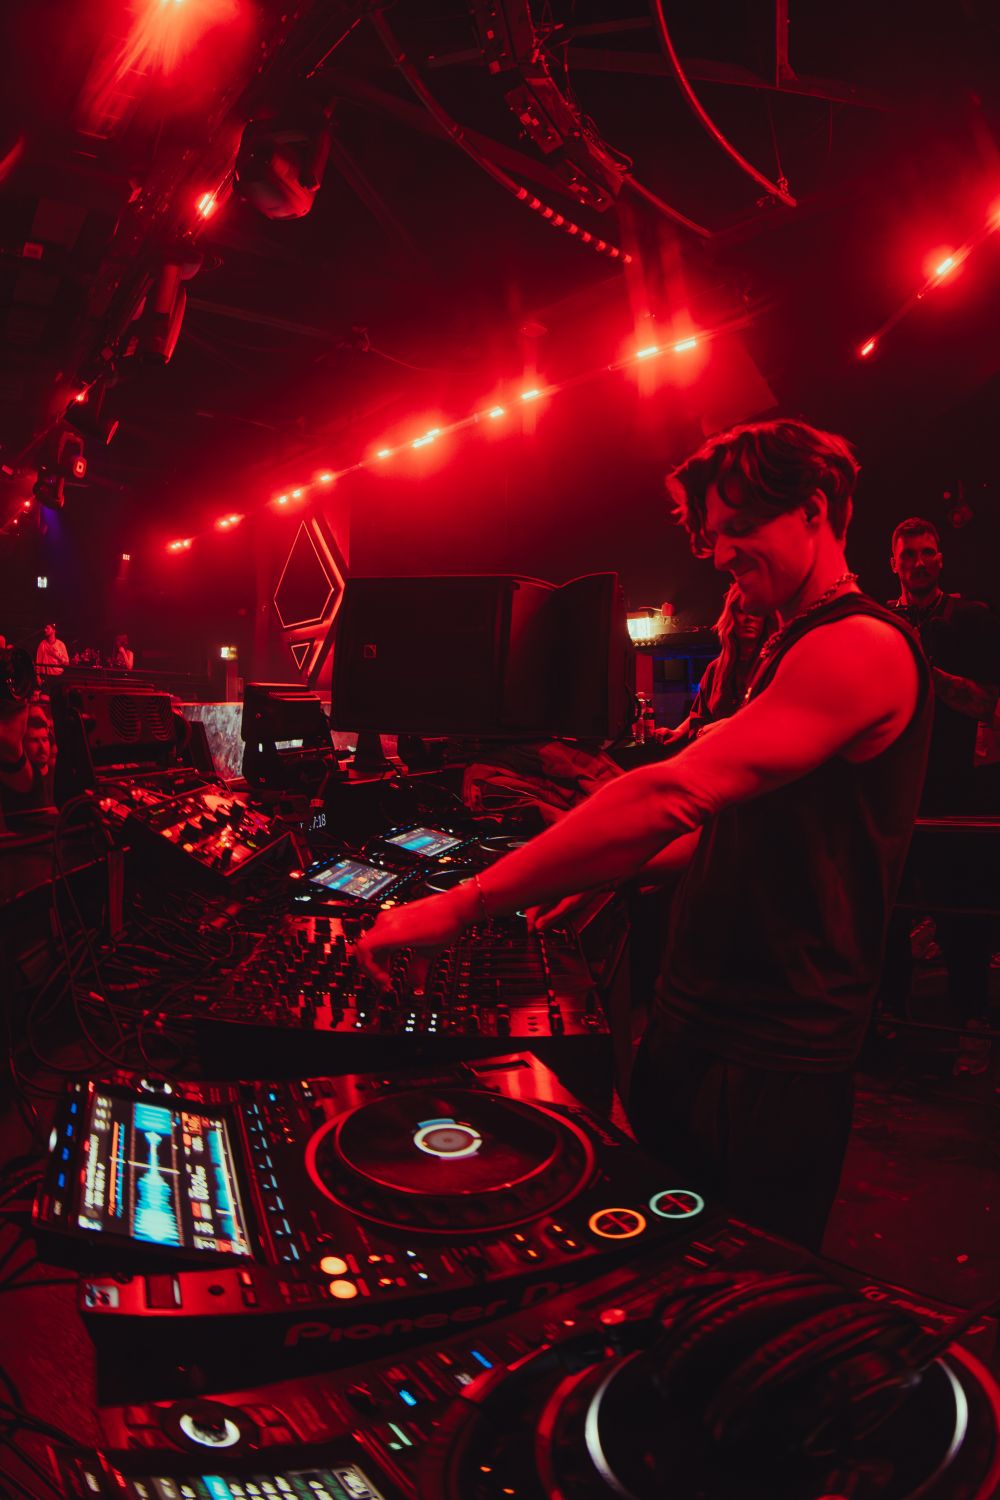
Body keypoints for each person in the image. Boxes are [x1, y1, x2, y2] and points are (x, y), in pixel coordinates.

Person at [356, 419, 933, 1252]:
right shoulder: (794, 643)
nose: (721, 553)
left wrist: (462, 904)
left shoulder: (859, 646)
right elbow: (737, 834)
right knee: (663, 1263)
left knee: (738, 1285)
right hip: (702, 1019)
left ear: (814, 510)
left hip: (774, 1046)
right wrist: (604, 870)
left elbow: (675, 791)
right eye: (711, 535)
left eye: (741, 527)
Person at [883, 516, 1000, 1073]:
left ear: (941, 559)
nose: (919, 562)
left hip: (957, 795)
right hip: (893, 795)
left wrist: (926, 674)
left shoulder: (970, 618)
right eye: (909, 554)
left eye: (927, 552)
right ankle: (891, 1020)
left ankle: (973, 1026)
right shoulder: (881, 622)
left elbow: (988, 703)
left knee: (962, 919)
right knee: (888, 915)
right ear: (894, 564)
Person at [657, 583, 769, 749]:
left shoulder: (772, 665)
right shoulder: (715, 669)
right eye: (742, 610)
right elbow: (699, 715)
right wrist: (678, 732)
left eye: (756, 611)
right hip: (719, 756)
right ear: (731, 616)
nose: (748, 618)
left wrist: (723, 727)